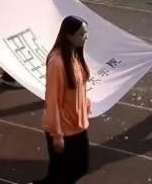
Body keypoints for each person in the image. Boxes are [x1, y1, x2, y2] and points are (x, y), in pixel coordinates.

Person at [36, 16, 92, 184]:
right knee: (64, 172)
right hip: (64, 128)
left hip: (77, 124)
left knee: (76, 168)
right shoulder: (57, 63)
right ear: (68, 35)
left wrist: (85, 103)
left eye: (86, 33)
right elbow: (52, 100)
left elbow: (78, 86)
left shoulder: (75, 54)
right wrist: (57, 134)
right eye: (81, 34)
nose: (85, 37)